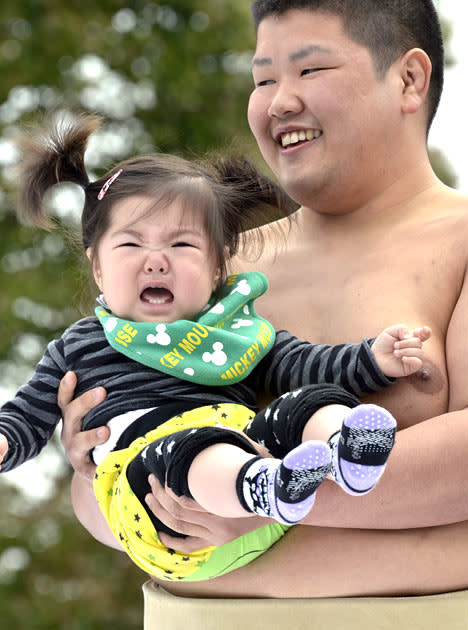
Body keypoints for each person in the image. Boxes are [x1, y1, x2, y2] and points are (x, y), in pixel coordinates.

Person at [59, 0, 468, 599]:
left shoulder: (458, 244)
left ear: (408, 78)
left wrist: (266, 505)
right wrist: (92, 463)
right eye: (263, 79)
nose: (279, 101)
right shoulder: (207, 268)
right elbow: (107, 502)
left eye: (310, 71)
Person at [0, 114, 430, 582]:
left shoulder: (235, 330)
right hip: (162, 506)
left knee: (303, 403)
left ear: (218, 268)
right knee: (195, 446)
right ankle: (261, 484)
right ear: (98, 268)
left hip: (257, 497)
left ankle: (347, 449)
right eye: (131, 244)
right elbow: (26, 415)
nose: (156, 261)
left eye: (182, 244)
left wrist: (373, 359)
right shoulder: (79, 347)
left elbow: (309, 365)